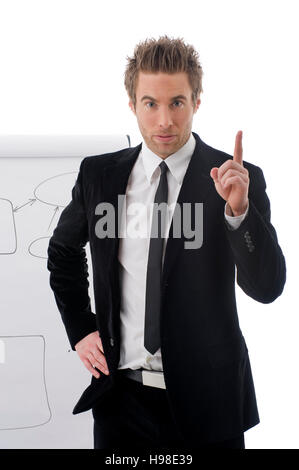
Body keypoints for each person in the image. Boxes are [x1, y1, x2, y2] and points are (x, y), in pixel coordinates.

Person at [47, 35, 286, 450]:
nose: (164, 121)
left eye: (176, 102)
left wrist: (238, 213)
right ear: (132, 104)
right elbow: (63, 252)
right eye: (150, 104)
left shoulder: (235, 179)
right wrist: (81, 328)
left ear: (196, 101)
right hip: (120, 403)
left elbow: (267, 288)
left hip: (210, 404)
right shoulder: (99, 177)